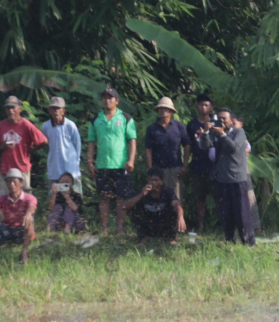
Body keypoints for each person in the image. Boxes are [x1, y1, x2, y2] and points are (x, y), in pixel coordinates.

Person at [198, 106, 253, 245]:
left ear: (231, 120)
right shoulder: (215, 133)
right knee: (225, 213)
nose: (221, 121)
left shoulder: (239, 132)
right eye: (219, 118)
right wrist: (205, 133)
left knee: (242, 212)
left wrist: (223, 134)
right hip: (221, 180)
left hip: (237, 179)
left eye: (224, 118)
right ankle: (230, 241)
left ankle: (248, 242)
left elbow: (233, 148)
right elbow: (205, 145)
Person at [86, 88, 137, 235]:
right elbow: (91, 143)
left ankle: (119, 229)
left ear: (117, 101)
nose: (107, 100)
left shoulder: (126, 118)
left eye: (110, 97)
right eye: (104, 98)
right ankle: (105, 229)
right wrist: (90, 162)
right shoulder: (95, 120)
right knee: (104, 197)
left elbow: (132, 141)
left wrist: (131, 160)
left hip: (121, 165)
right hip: (102, 165)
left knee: (121, 198)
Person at [0, 169, 38, 264]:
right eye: (9, 181)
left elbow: (32, 207)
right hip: (5, 230)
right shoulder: (3, 198)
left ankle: (25, 252)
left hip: (21, 231)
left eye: (14, 181)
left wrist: (28, 214)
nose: (11, 184)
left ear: (21, 183)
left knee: (29, 219)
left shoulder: (29, 198)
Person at [0, 97, 48, 193]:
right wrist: (3, 146)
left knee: (24, 200)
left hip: (22, 168)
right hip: (6, 169)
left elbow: (43, 141)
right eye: (8, 108)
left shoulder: (26, 124)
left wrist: (31, 150)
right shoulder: (1, 125)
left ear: (20, 109)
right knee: (2, 199)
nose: (10, 110)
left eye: (13, 107)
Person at [144, 96, 190, 201]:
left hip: (175, 169)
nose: (164, 110)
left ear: (171, 111)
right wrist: (151, 169)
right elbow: (148, 149)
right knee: (158, 197)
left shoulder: (179, 126)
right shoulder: (152, 128)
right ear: (158, 110)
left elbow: (187, 145)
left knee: (176, 198)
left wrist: (185, 166)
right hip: (158, 169)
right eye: (161, 108)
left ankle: (177, 217)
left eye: (166, 108)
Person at [121, 171, 185, 244]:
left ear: (161, 181)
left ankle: (170, 238)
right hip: (148, 222)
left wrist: (181, 217)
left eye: (155, 180)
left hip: (163, 221)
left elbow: (177, 205)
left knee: (174, 209)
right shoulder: (142, 190)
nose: (152, 182)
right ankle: (144, 237)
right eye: (150, 180)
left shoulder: (167, 191)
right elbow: (124, 206)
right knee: (134, 206)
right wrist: (141, 195)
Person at [183, 93, 217, 233]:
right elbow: (188, 145)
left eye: (206, 105)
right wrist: (185, 163)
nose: (203, 107)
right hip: (197, 165)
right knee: (200, 198)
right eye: (201, 104)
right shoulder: (192, 124)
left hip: (214, 166)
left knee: (217, 197)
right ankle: (200, 226)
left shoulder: (216, 123)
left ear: (211, 107)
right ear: (197, 106)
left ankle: (221, 224)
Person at [41, 97, 82, 201]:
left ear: (64, 111)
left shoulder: (70, 125)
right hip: (54, 171)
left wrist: (76, 163)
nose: (56, 111)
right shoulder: (45, 126)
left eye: (58, 108)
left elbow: (77, 145)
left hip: (71, 172)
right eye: (53, 108)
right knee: (55, 202)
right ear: (49, 111)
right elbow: (45, 144)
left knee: (75, 201)